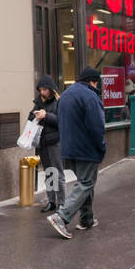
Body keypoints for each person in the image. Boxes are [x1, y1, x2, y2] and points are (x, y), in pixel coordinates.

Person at [47, 67, 105, 240]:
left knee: (85, 182)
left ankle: (86, 219)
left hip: (67, 148)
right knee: (86, 183)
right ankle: (61, 216)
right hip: (86, 149)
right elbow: (97, 127)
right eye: (97, 82)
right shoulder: (91, 96)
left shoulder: (65, 95)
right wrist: (101, 147)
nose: (97, 86)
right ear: (92, 81)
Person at [29, 75, 62, 211]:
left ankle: (62, 203)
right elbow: (30, 117)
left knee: (58, 173)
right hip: (43, 142)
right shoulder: (38, 102)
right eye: (40, 90)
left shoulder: (59, 101)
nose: (42, 92)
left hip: (55, 142)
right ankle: (51, 201)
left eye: (45, 90)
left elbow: (61, 120)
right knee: (49, 172)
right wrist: (36, 115)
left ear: (51, 89)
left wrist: (46, 115)